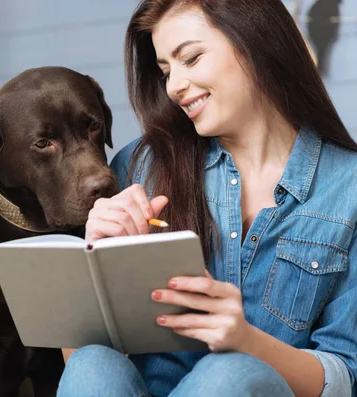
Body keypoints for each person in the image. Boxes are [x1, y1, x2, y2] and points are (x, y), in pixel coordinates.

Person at [57, 0, 357, 396]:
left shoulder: (348, 186)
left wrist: (245, 340)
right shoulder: (138, 167)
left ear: (257, 43)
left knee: (231, 374)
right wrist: (93, 261)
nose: (174, 86)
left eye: (191, 58)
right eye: (165, 70)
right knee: (92, 363)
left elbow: (343, 378)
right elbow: (76, 363)